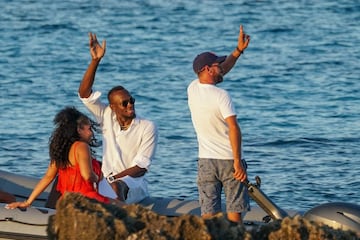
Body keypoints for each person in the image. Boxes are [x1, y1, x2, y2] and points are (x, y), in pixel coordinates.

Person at [78, 33, 158, 204]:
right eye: (124, 103)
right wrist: (95, 61)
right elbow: (84, 94)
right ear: (113, 107)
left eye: (131, 100)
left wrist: (112, 180)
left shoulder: (147, 126)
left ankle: (119, 224)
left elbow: (141, 168)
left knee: (116, 187)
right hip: (107, 180)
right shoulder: (106, 115)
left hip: (133, 184)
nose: (130, 105)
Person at [187, 25, 251, 223]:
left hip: (205, 161)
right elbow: (233, 128)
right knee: (234, 215)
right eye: (218, 65)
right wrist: (238, 161)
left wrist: (237, 52)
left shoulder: (192, 88)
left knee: (209, 216)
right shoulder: (222, 96)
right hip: (228, 160)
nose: (222, 68)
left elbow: (223, 70)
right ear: (207, 69)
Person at [5, 107, 122, 209]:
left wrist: (28, 202)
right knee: (126, 208)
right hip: (86, 198)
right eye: (89, 129)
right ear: (79, 130)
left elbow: (47, 177)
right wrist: (97, 178)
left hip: (65, 200)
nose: (91, 133)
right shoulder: (82, 146)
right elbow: (87, 175)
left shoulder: (61, 151)